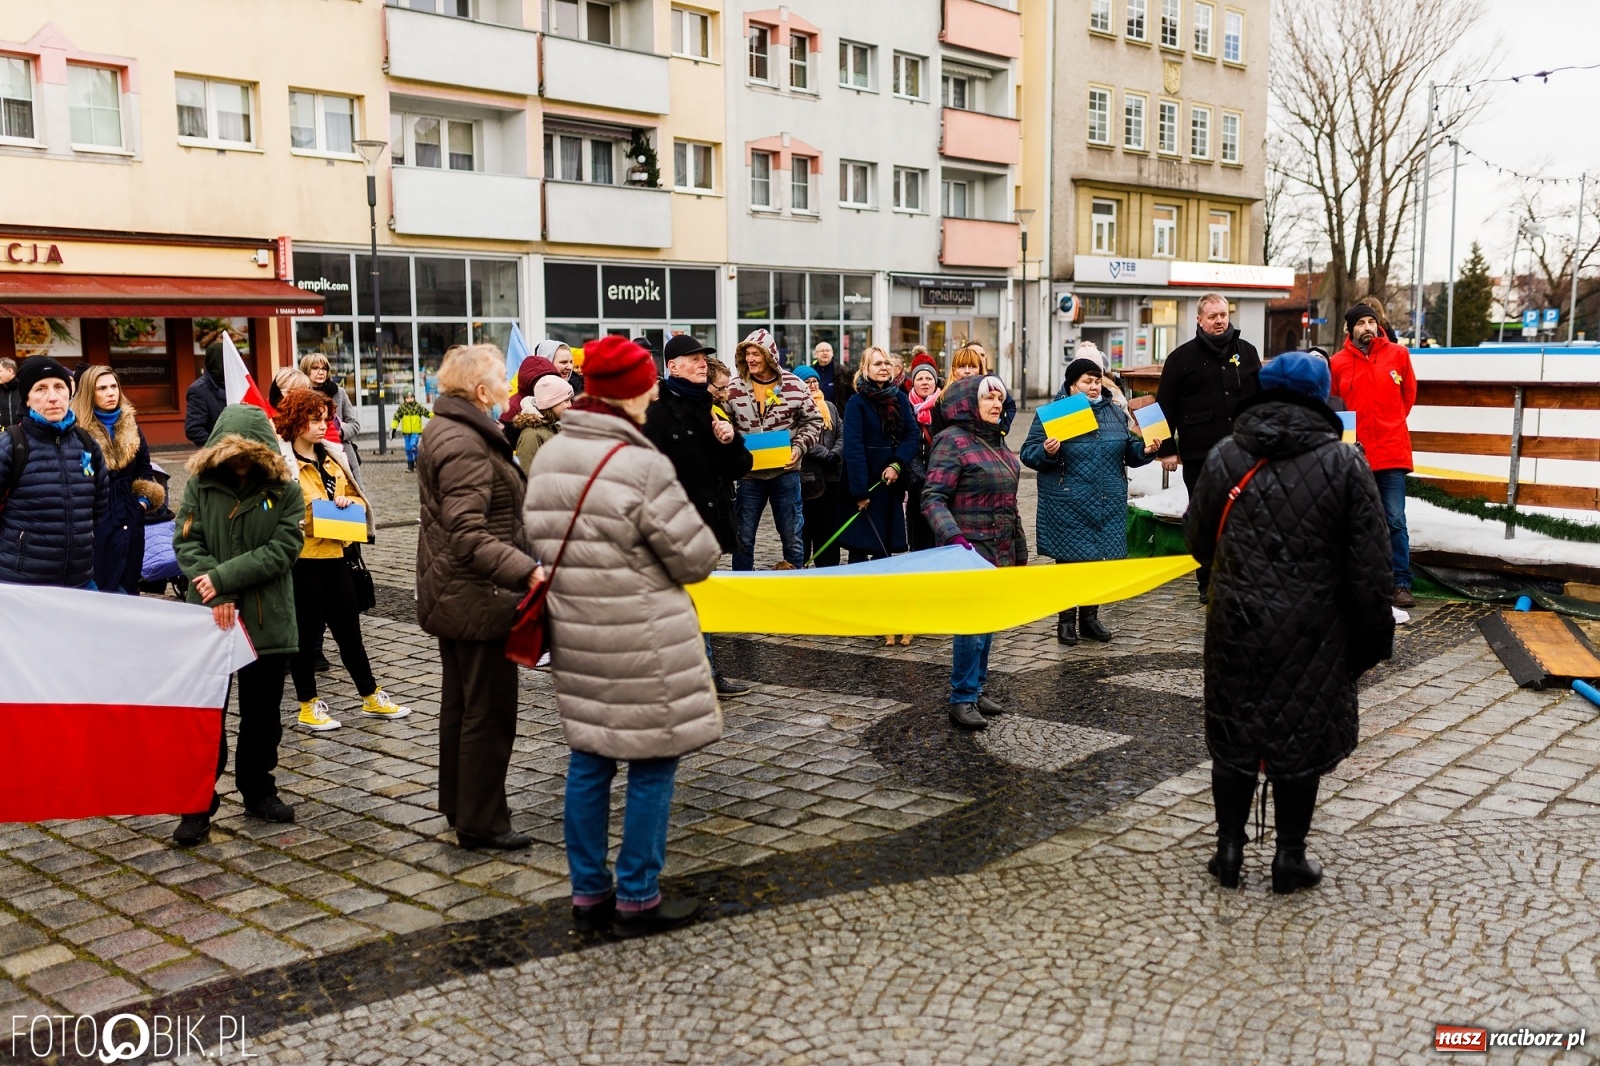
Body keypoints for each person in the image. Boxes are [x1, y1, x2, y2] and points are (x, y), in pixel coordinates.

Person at [522, 336, 722, 939]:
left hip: (578, 631)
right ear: (632, 391)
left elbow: (539, 537)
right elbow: (696, 557)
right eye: (648, 382)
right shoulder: (640, 463)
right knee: (653, 763)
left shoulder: (552, 456)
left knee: (589, 760)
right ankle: (637, 894)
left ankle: (588, 892)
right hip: (643, 636)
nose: (657, 389)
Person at [1184, 352, 1394, 894]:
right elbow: (1370, 567)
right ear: (1321, 397)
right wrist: (1371, 643)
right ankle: (1288, 859)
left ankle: (1228, 853)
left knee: (1234, 734)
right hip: (1314, 630)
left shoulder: (1226, 454)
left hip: (1236, 621)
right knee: (1298, 738)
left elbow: (1197, 539)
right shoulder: (1346, 464)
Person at [417, 344, 540, 851]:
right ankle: (482, 822)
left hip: (459, 592)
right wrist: (527, 571)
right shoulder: (465, 441)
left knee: (463, 707)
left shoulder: (455, 428)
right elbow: (467, 532)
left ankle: (461, 806)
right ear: (479, 390)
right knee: (486, 713)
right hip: (478, 595)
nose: (510, 385)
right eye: (502, 378)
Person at [171, 404, 306, 845]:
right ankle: (197, 802)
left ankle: (257, 789)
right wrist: (220, 593)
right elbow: (187, 543)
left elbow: (283, 548)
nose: (241, 461)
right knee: (207, 715)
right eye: (233, 452)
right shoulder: (200, 486)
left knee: (263, 716)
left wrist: (224, 578)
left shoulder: (284, 488)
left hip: (268, 620)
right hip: (210, 619)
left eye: (249, 452)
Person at [274, 387, 408, 733]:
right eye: (314, 419)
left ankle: (370, 694)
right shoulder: (282, 465)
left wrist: (350, 506)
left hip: (337, 554)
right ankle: (307, 704)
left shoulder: (333, 458)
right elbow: (274, 514)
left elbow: (356, 500)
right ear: (295, 420)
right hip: (301, 560)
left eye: (325, 419)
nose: (323, 426)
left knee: (349, 630)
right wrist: (302, 521)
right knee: (304, 636)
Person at [643, 335, 753, 695]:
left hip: (708, 525)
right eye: (692, 359)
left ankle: (704, 673)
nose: (702, 363)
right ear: (672, 367)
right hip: (673, 527)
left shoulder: (710, 409)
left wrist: (730, 440)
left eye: (703, 358)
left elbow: (740, 468)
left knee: (699, 602)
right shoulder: (655, 414)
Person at [1022, 358, 1156, 645]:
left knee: (1098, 564)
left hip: (1106, 501)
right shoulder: (1055, 413)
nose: (1093, 387)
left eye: (1097, 381)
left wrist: (1144, 449)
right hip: (1068, 501)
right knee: (1069, 564)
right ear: (1072, 385)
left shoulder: (1114, 412)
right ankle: (1066, 622)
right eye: (1087, 381)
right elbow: (1028, 454)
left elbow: (1128, 452)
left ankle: (1090, 618)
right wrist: (1046, 450)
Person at [922, 375, 1026, 729]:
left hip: (999, 547)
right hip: (967, 548)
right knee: (971, 626)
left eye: (999, 398)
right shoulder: (952, 441)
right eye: (988, 399)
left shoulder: (996, 441)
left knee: (987, 622)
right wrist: (953, 539)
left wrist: (1019, 547)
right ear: (969, 403)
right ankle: (961, 697)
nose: (997, 404)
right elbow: (932, 498)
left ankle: (977, 689)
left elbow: (1009, 503)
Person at [1154, 293, 1262, 597]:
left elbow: (1262, 400)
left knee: (1244, 515)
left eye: (1224, 315)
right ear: (1199, 320)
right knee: (1206, 516)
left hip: (1243, 452)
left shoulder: (1247, 352)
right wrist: (1166, 449)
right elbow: (1164, 407)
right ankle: (1208, 581)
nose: (1220, 321)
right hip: (1200, 453)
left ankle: (1241, 577)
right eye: (1213, 316)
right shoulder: (1181, 358)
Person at [1331, 303, 1418, 608]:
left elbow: (1408, 396)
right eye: (1360, 323)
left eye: (1371, 321)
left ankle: (1400, 582)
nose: (1367, 327)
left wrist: (1391, 423)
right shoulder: (1337, 363)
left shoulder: (1398, 355)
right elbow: (1334, 406)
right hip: (1355, 456)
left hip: (1392, 451)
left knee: (1395, 519)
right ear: (1349, 329)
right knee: (1355, 521)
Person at [0, 357, 107, 588]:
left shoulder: (86, 443)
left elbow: (98, 506)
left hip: (80, 580)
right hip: (22, 585)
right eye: (40, 388)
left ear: (69, 392)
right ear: (26, 399)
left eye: (59, 387)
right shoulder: (10, 445)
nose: (53, 397)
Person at [726, 329, 823, 570]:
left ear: (770, 356)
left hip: (786, 473)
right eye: (747, 354)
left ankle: (794, 587)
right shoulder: (734, 387)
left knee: (792, 538)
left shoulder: (794, 385)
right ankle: (743, 589)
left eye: (755, 354)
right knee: (743, 539)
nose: (750, 359)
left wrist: (799, 449)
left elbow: (814, 421)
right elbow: (723, 422)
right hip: (748, 476)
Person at [73, 366, 164, 595]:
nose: (110, 392)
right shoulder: (77, 430)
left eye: (114, 386)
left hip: (129, 513)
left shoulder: (130, 424)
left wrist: (142, 501)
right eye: (102, 388)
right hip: (96, 517)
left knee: (128, 581)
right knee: (100, 584)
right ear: (89, 393)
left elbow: (144, 466)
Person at [842, 346, 919, 577]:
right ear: (865, 368)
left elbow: (911, 434)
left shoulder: (900, 400)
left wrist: (897, 464)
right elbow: (853, 448)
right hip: (864, 482)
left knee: (884, 545)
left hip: (889, 482)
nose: (883, 368)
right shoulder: (856, 403)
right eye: (877, 364)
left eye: (886, 363)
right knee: (860, 545)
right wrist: (860, 492)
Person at [792, 364, 843, 567]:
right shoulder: (795, 408)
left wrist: (835, 453)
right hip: (808, 478)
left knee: (828, 527)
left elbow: (840, 432)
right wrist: (824, 453)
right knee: (806, 527)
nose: (812, 385)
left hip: (830, 477)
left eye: (814, 381)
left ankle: (828, 567)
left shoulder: (829, 407)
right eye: (807, 382)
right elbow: (798, 436)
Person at [300, 353, 363, 482]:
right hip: (313, 452)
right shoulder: (301, 395)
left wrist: (338, 432)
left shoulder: (338, 393)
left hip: (341, 450)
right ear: (306, 370)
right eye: (315, 368)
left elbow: (354, 424)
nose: (320, 372)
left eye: (324, 368)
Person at [905, 359, 941, 553]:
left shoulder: (943, 407)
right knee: (918, 534)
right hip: (916, 483)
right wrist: (920, 477)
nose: (925, 382)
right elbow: (904, 442)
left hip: (940, 481)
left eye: (929, 378)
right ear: (913, 382)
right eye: (920, 378)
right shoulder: (905, 407)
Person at [500, 344, 561, 449]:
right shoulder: (512, 407)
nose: (545, 383)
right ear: (528, 381)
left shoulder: (551, 402)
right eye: (541, 379)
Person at [513, 376, 573, 471]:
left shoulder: (554, 427)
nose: (570, 405)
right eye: (566, 401)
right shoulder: (531, 436)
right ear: (551, 403)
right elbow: (527, 476)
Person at [185, 343, 228, 447]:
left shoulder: (237, 383)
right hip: (220, 456)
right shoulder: (199, 390)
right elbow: (193, 429)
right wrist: (220, 448)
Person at [390, 392, 432, 472]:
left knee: (413, 446)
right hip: (406, 432)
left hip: (415, 431)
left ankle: (418, 462)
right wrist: (393, 428)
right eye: (408, 398)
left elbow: (427, 413)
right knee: (408, 449)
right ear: (405, 399)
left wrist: (437, 415)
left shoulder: (418, 407)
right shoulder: (402, 408)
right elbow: (396, 418)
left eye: (411, 397)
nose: (410, 399)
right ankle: (410, 465)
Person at [810, 340, 850, 407]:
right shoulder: (810, 371)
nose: (825, 353)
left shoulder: (843, 372)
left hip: (837, 413)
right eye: (822, 351)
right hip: (814, 411)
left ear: (832, 353)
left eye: (827, 350)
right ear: (816, 354)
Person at [0, 357, 21, 427]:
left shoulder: (24, 388)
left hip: (23, 434)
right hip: (3, 435)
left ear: (10, 371)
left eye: (0, 371)